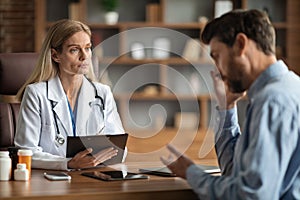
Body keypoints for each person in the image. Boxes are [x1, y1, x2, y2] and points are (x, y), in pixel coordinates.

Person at [161, 9, 300, 199]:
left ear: (241, 44)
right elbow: (235, 173)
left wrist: (192, 174)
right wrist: (227, 106)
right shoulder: (286, 88)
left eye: (217, 56)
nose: (217, 69)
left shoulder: (272, 100)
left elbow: (250, 195)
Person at [14, 19, 125, 170]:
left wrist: (99, 157)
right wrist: (67, 163)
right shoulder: (36, 94)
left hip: (92, 176)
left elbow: (119, 148)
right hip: (50, 180)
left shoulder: (102, 93)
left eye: (87, 48)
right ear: (55, 55)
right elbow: (26, 152)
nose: (84, 56)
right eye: (74, 50)